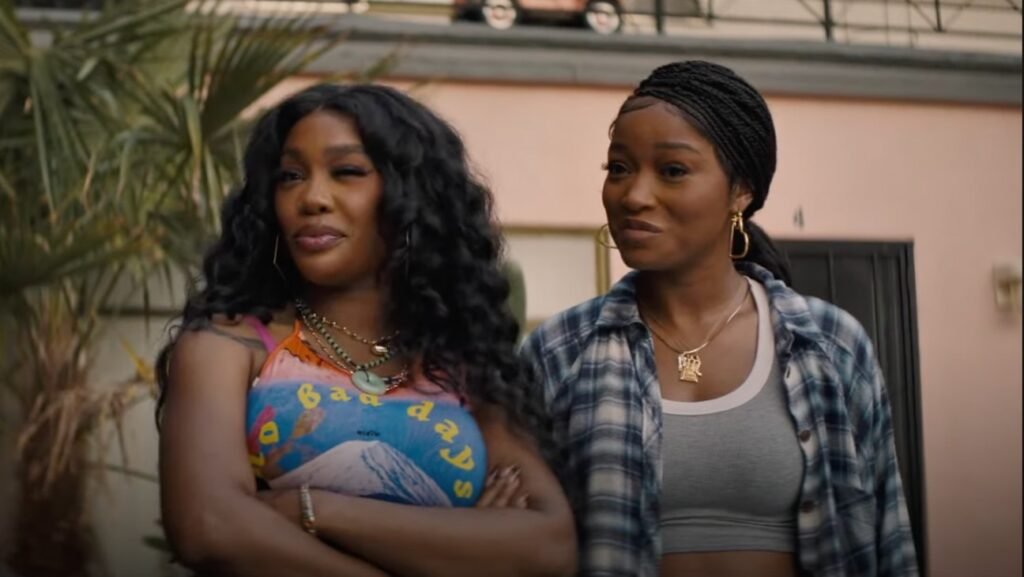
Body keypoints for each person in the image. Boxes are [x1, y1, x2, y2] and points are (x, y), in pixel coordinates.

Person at [155, 83, 576, 577]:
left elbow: (548, 547)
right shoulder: (230, 345)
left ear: (411, 196)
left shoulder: (465, 365)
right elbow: (209, 527)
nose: (311, 197)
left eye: (347, 172)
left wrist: (312, 510)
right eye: (290, 176)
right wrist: (461, 543)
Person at [520, 61, 919, 577]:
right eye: (618, 168)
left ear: (741, 190)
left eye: (673, 170)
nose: (634, 195)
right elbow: (521, 537)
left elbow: (889, 533)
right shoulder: (559, 351)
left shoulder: (830, 343)